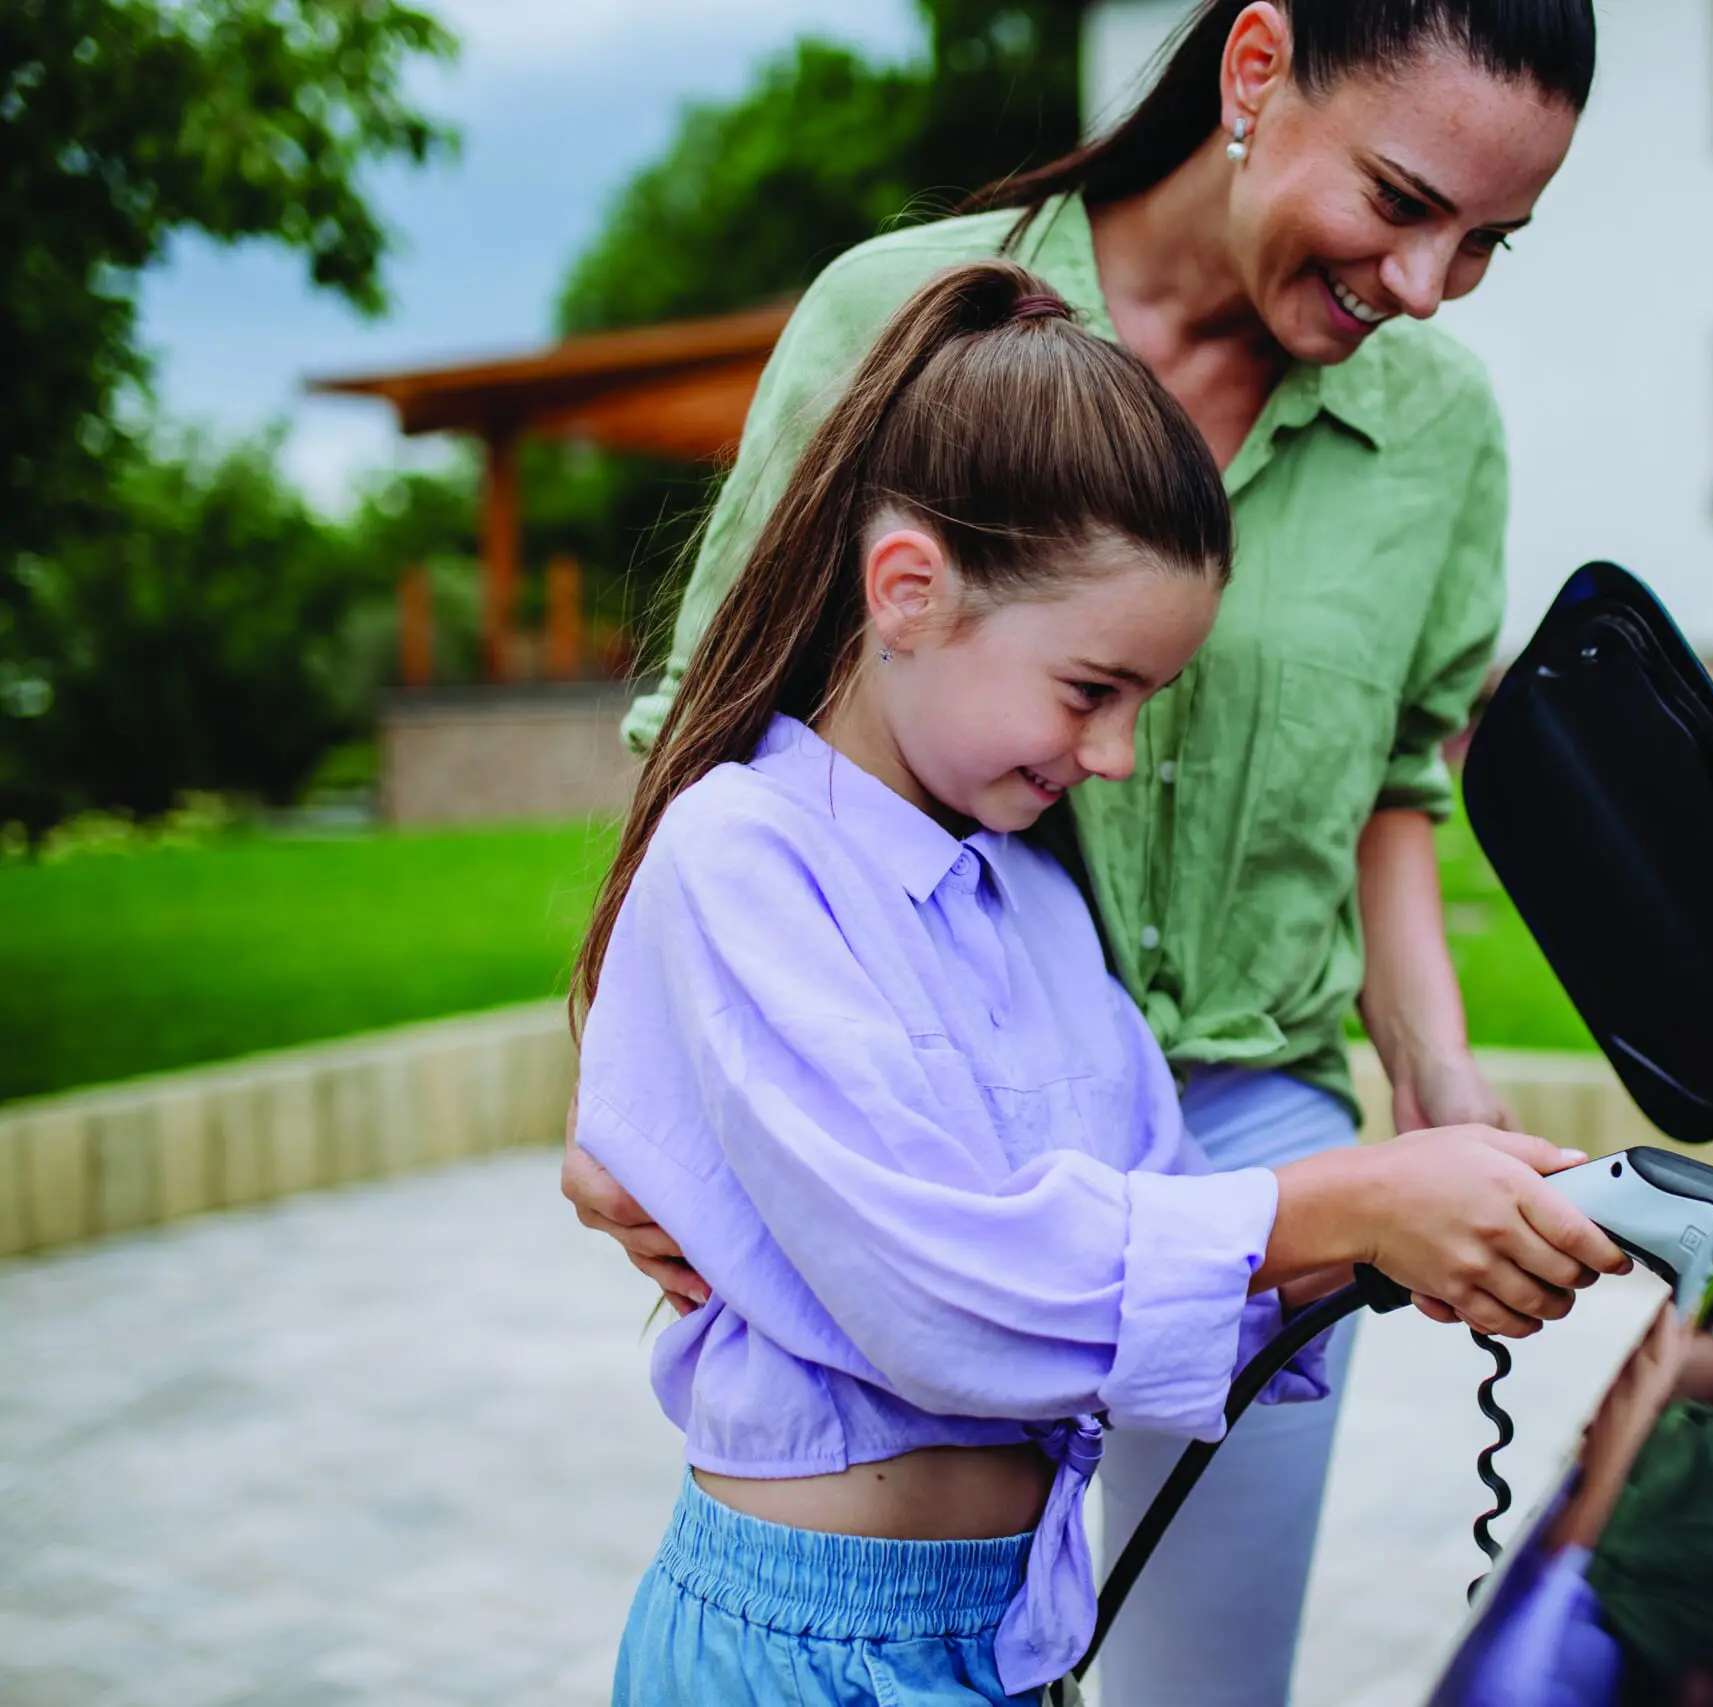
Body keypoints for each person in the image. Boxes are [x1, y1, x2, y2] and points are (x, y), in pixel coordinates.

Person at [563, 3, 1599, 1699]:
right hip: (914, 1163)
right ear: (1253, 72)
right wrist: (642, 1075)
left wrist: (1446, 1147)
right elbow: (704, 716)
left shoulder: (1436, 435)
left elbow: (1399, 781)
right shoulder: (895, 325)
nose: (1425, 281)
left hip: (1235, 1124)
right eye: (1405, 202)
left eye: (1487, 241)